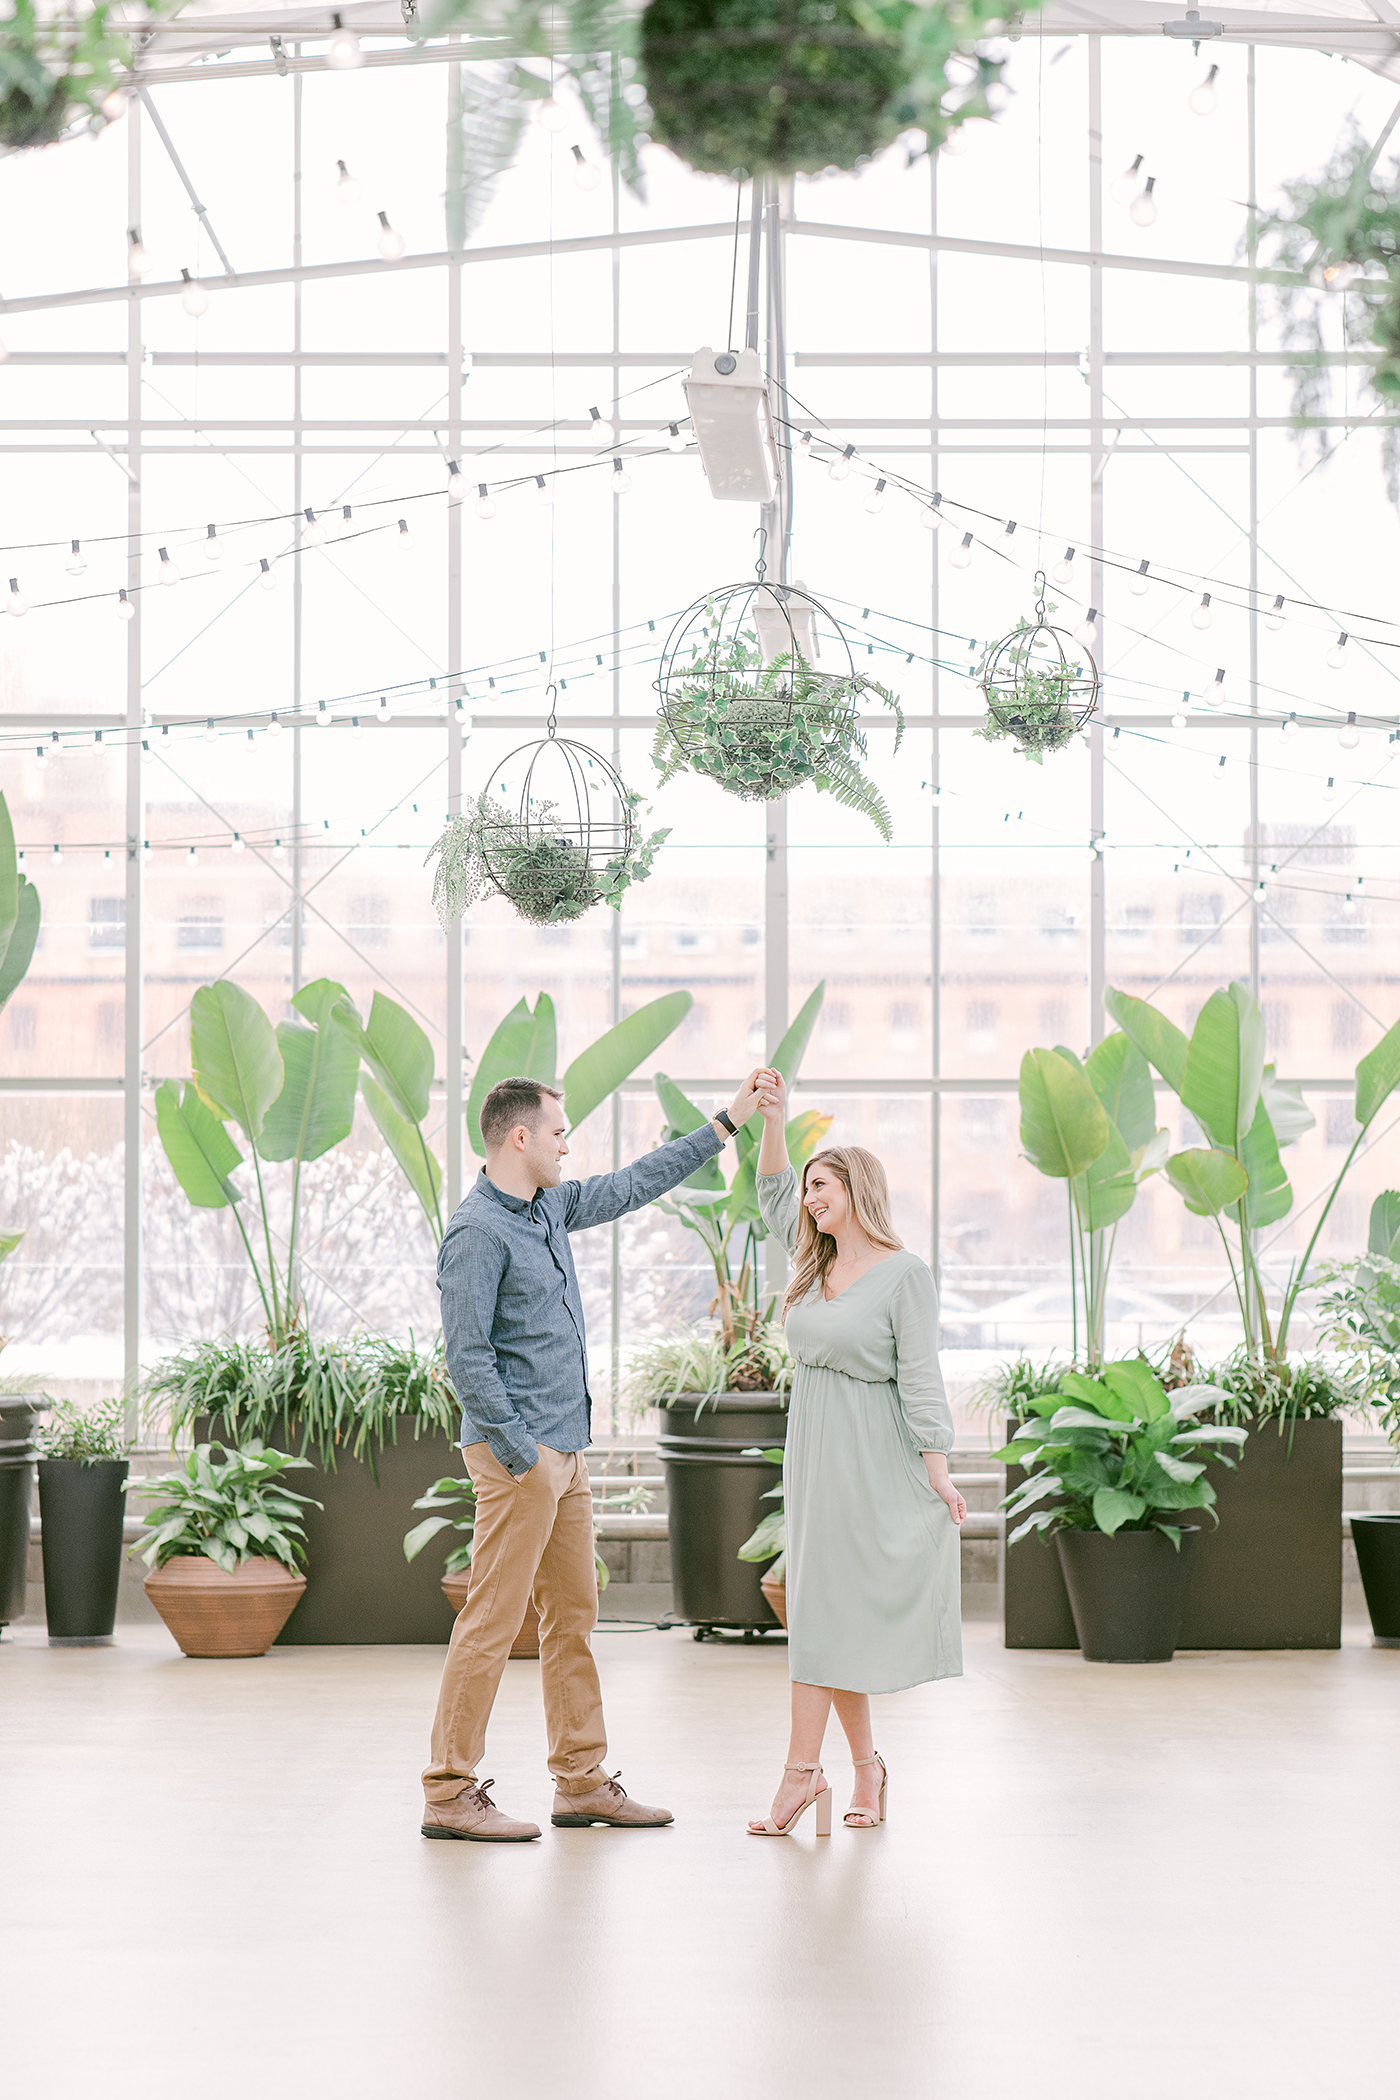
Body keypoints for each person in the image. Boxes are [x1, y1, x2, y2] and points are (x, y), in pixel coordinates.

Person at [421, 1066, 768, 1843]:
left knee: (572, 1616)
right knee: (492, 1619)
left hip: (565, 1448)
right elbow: (467, 1357)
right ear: (520, 1137)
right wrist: (521, 1455)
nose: (566, 1144)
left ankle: (580, 1781)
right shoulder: (477, 1233)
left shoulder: (548, 1208)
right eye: (557, 1131)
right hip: (521, 1457)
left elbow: (636, 1182)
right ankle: (447, 1789)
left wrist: (726, 1124)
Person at [746, 1072, 965, 1838]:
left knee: (827, 1618)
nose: (809, 1198)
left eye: (824, 1185)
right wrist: (772, 1119)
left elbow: (921, 1374)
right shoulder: (814, 1263)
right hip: (813, 1458)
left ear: (858, 1190)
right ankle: (862, 1768)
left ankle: (803, 1774)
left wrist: (936, 1467)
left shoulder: (903, 1275)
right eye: (809, 1187)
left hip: (873, 1457)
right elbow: (771, 1190)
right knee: (821, 1614)